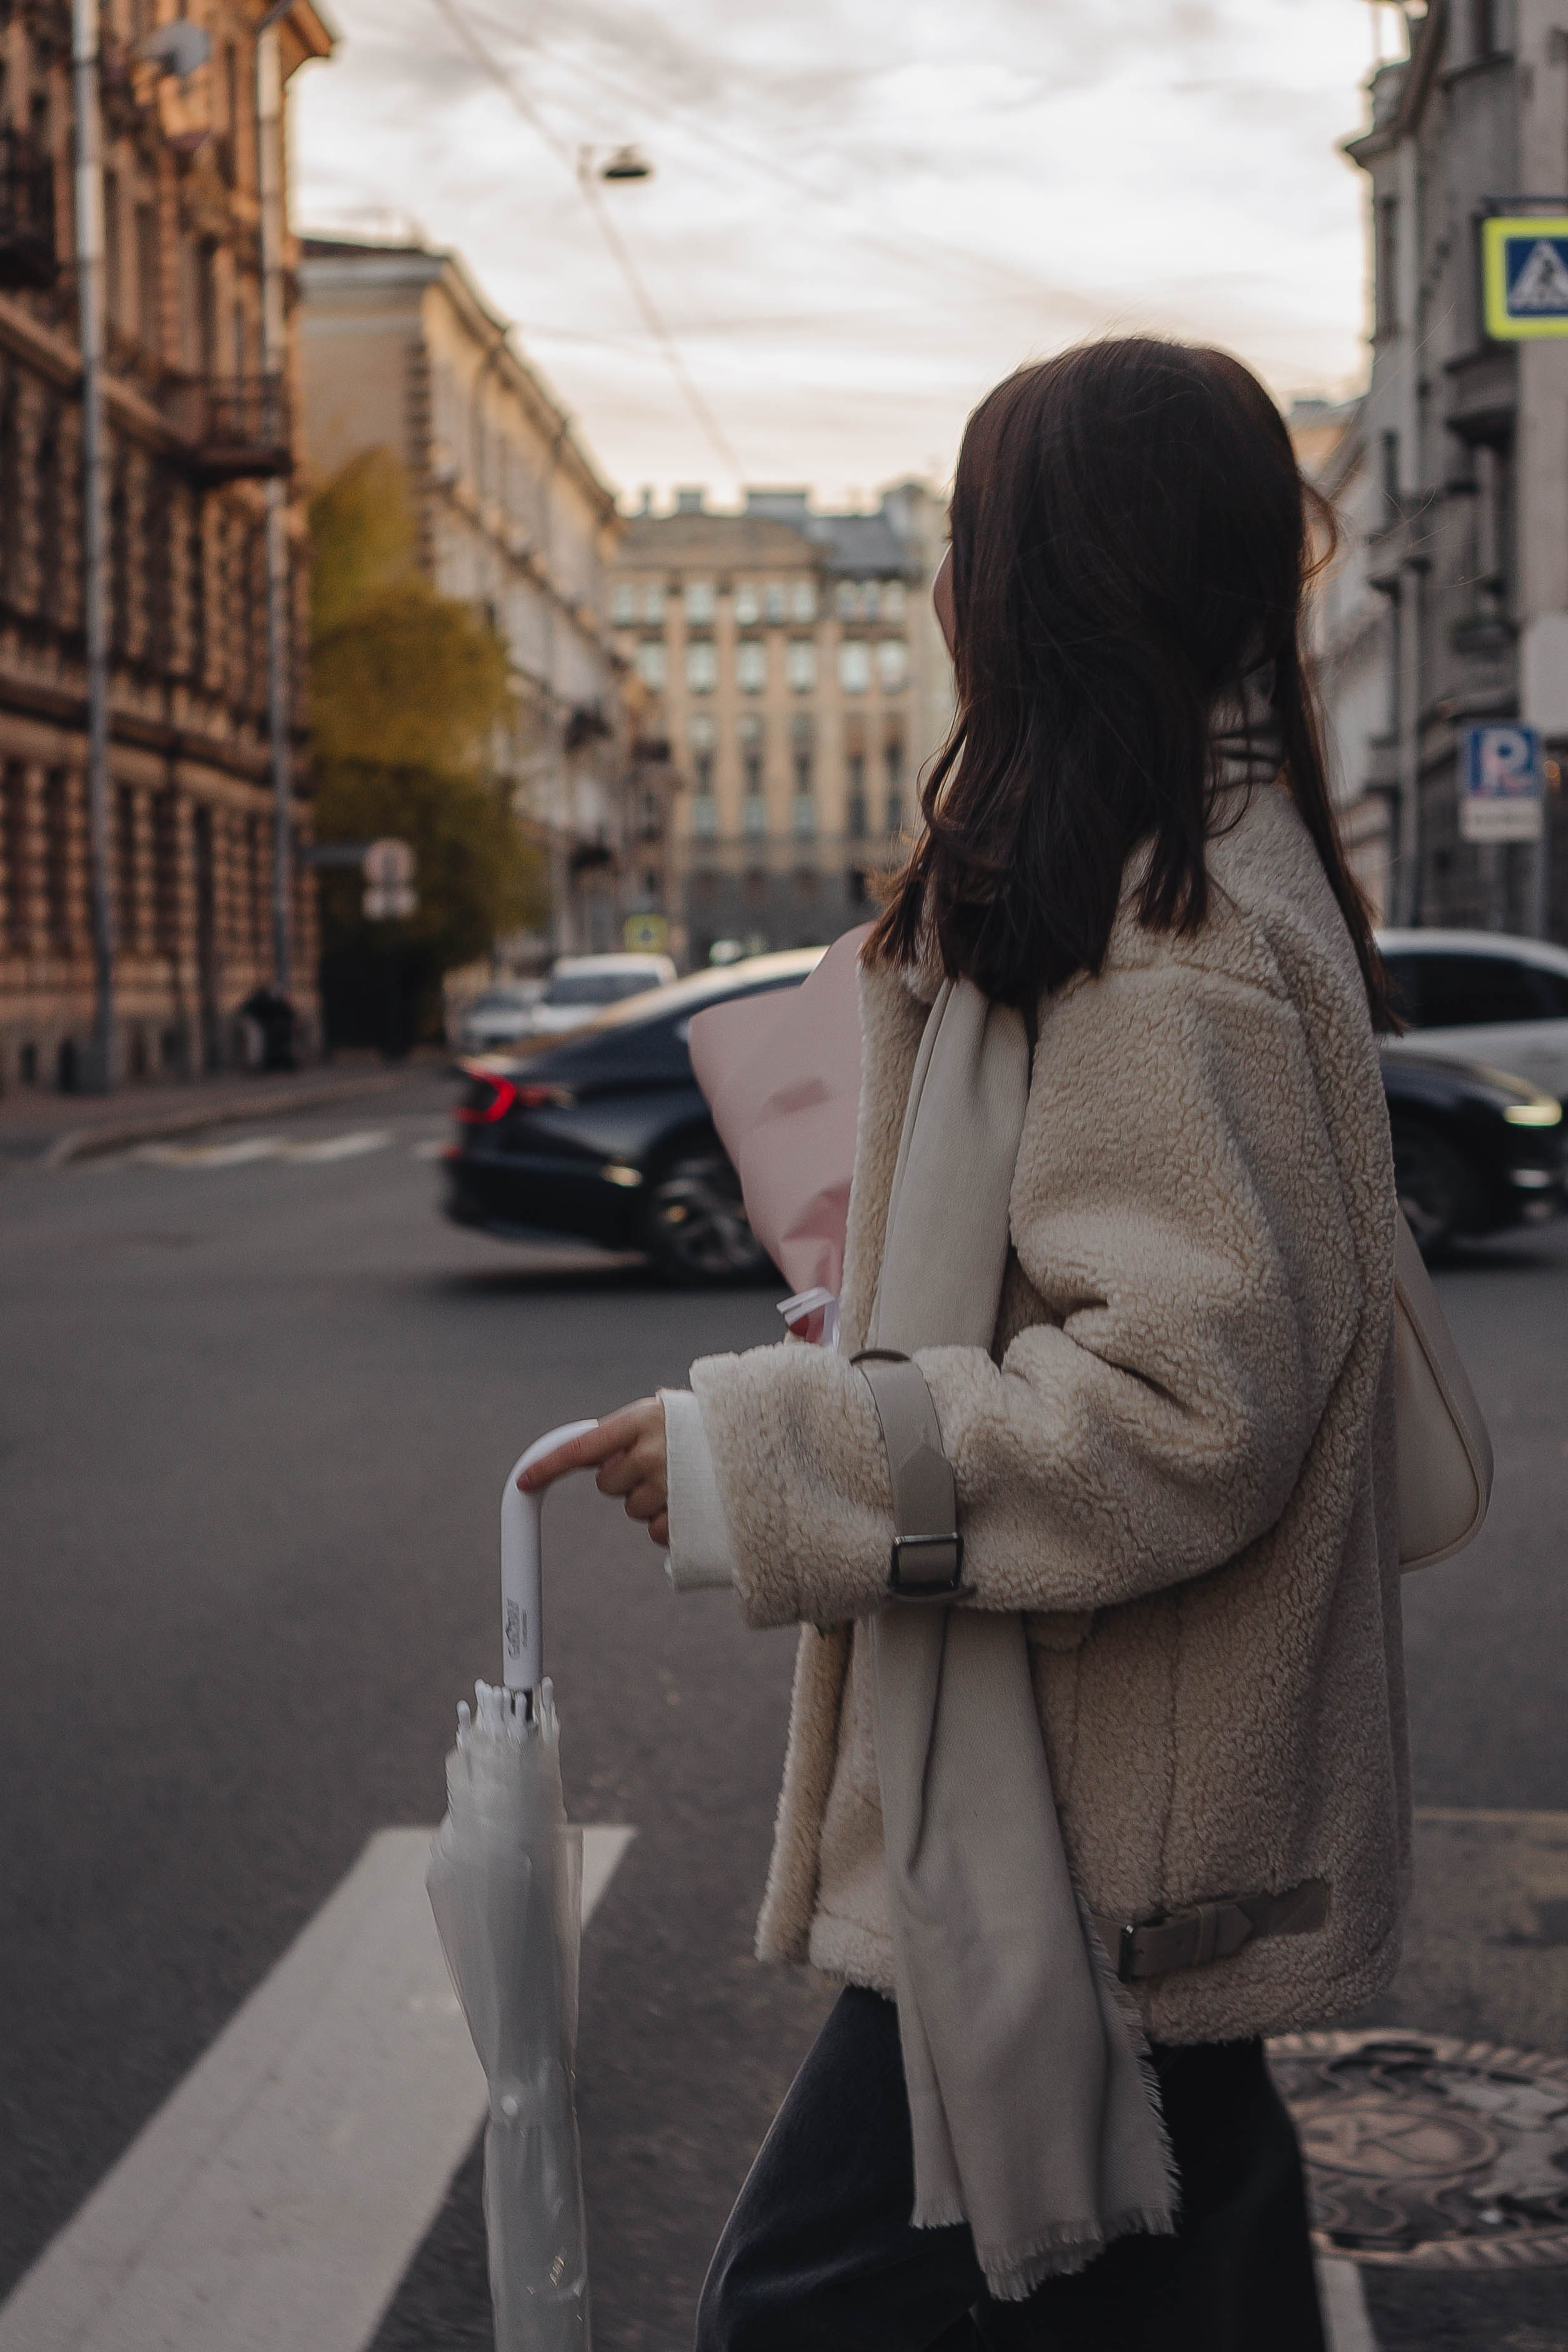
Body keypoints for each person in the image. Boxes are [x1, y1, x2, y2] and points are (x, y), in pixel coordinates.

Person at [522, 338, 1406, 2351]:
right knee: (1175, 2277)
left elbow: (1185, 1408)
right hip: (1098, 1806)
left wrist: (775, 1454)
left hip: (1086, 1836)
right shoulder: (1156, 880)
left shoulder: (1174, 939)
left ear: (1038, 581)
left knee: (815, 2310)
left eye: (968, 540)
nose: (941, 589)